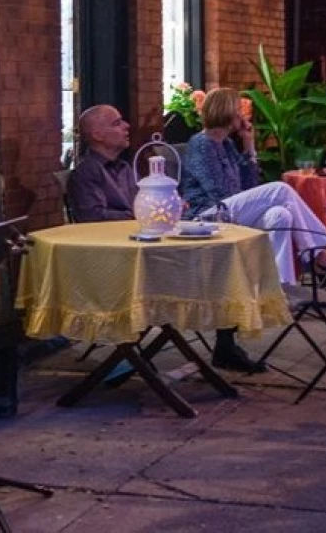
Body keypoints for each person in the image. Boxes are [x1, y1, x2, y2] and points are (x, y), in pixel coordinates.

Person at [67, 103, 270, 374]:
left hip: (147, 248)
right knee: (219, 265)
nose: (127, 126)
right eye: (117, 123)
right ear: (97, 134)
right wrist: (146, 212)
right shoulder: (87, 173)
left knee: (224, 260)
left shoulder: (125, 167)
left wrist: (164, 207)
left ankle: (226, 345)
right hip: (121, 263)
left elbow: (141, 207)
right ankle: (218, 346)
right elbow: (94, 219)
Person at [181, 88, 326, 285]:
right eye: (238, 109)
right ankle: (319, 254)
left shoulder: (227, 144)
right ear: (227, 112)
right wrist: (248, 198)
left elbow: (249, 184)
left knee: (280, 215)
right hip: (206, 215)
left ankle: (282, 288)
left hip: (229, 209)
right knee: (281, 189)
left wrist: (249, 144)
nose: (242, 115)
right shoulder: (201, 144)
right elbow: (219, 192)